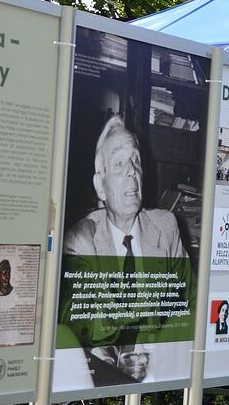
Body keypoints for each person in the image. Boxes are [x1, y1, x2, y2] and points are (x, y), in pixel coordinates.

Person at [62, 115, 191, 382]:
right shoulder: (82, 239)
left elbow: (191, 302)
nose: (132, 170)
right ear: (101, 186)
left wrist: (161, 350)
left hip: (160, 372)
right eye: (119, 163)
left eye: (136, 160)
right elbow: (79, 325)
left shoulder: (166, 227)